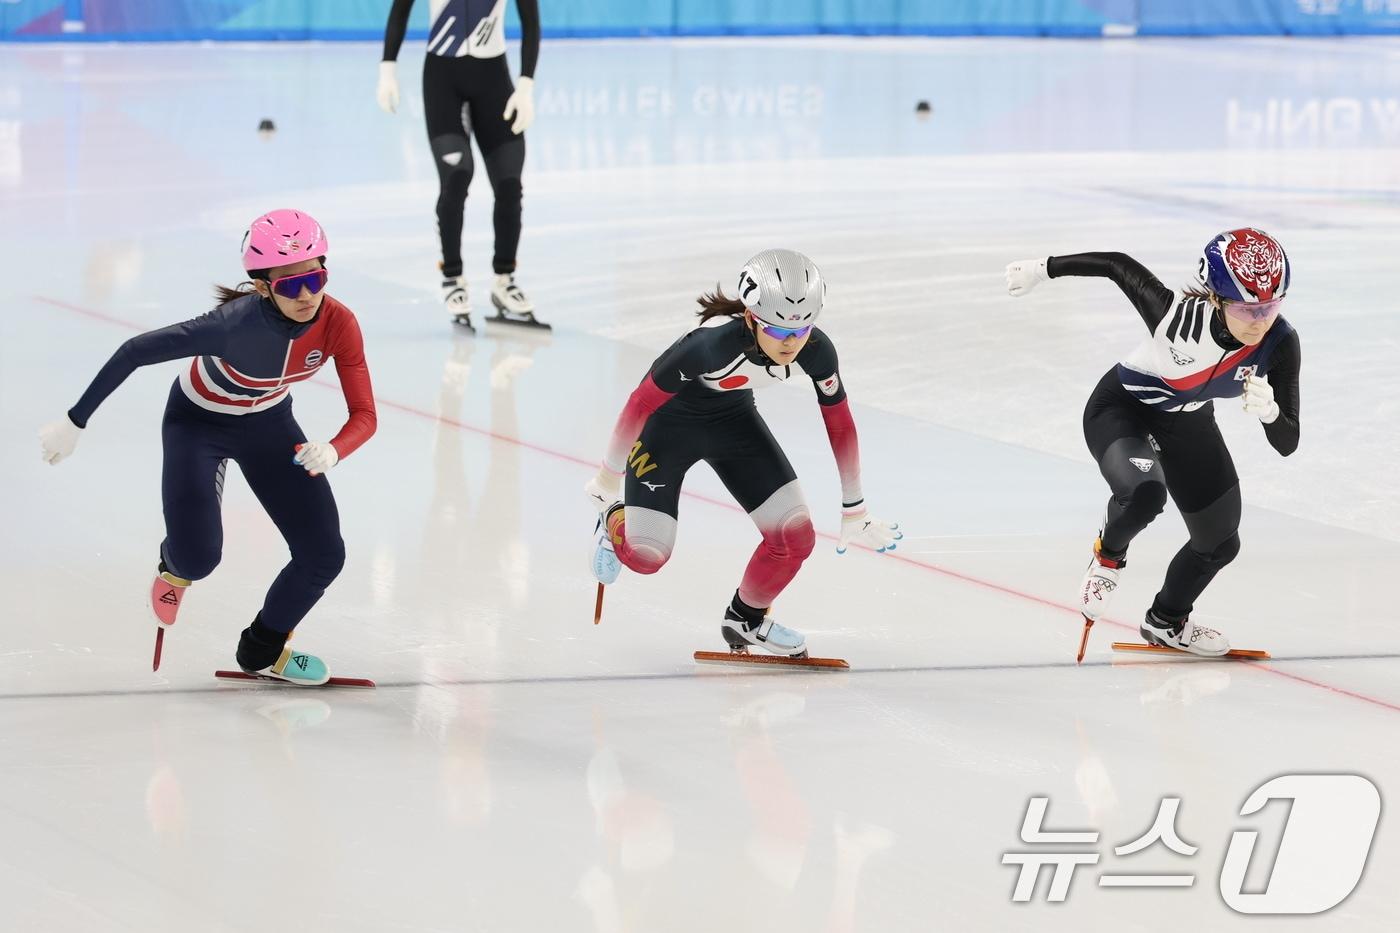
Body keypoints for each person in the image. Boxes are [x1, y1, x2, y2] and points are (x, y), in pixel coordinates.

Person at [38, 210, 377, 684]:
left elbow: (365, 414)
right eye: (289, 286)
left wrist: (336, 450)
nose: (307, 296)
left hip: (269, 425)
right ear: (261, 286)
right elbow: (135, 351)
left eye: (316, 278)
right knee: (200, 558)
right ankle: (174, 566)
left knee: (324, 554)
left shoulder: (339, 321)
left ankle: (263, 650)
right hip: (198, 424)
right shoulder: (229, 325)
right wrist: (75, 422)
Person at [584, 249, 900, 658]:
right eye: (781, 333)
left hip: (733, 423)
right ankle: (613, 524)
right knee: (647, 557)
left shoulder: (816, 348)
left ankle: (744, 619)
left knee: (794, 536)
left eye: (802, 331)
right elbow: (639, 404)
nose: (792, 344)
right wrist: (608, 481)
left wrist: (854, 507)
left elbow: (839, 423)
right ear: (752, 318)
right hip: (665, 429)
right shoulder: (708, 346)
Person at [1005, 228, 1301, 656]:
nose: (1260, 320)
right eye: (1246, 308)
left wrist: (1273, 413)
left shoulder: (1280, 343)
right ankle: (1108, 554)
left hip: (1185, 420)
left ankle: (1167, 621)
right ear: (1216, 298)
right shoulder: (1173, 315)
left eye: (1270, 306)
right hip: (1122, 408)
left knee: (1220, 541)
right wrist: (1043, 269)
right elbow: (1116, 264)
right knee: (1145, 496)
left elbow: (1288, 442)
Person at [378, 0, 544, 328]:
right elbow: (400, 10)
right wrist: (387, 70)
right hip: (443, 82)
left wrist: (526, 85)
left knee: (509, 183)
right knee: (456, 176)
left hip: (494, 80)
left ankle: (505, 278)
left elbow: (531, 21)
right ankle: (452, 278)